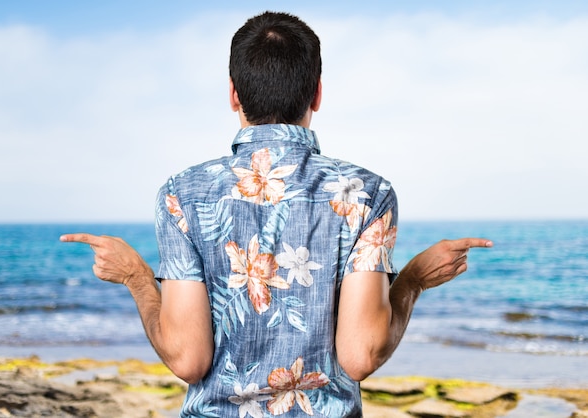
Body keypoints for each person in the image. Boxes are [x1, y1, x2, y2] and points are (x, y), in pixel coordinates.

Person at [61, 11, 492, 417]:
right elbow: (360, 356)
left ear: (233, 93)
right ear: (317, 92)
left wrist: (137, 277)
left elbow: (188, 360)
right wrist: (412, 281)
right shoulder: (367, 193)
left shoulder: (182, 194)